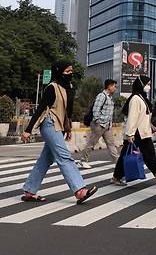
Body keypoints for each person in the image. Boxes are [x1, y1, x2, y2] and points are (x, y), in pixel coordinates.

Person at [21, 61, 98, 204]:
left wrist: (68, 128)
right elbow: (41, 108)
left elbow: (68, 112)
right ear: (59, 72)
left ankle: (29, 190)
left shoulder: (69, 87)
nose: (70, 74)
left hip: (60, 126)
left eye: (71, 71)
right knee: (64, 156)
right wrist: (28, 129)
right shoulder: (52, 87)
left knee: (45, 159)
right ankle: (80, 190)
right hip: (50, 124)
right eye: (67, 71)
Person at [112, 76, 156, 186]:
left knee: (147, 155)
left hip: (143, 132)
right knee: (142, 155)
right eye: (147, 84)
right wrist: (130, 134)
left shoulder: (141, 97)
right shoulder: (135, 98)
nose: (148, 87)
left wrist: (151, 126)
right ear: (141, 84)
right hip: (136, 133)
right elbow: (133, 117)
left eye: (149, 84)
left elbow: (144, 116)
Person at [77, 79, 120, 169]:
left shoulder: (109, 97)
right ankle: (83, 160)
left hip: (107, 125)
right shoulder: (102, 96)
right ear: (109, 86)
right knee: (92, 143)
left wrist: (109, 124)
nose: (115, 88)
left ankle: (118, 163)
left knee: (111, 143)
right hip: (99, 125)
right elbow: (96, 110)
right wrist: (98, 121)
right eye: (114, 86)